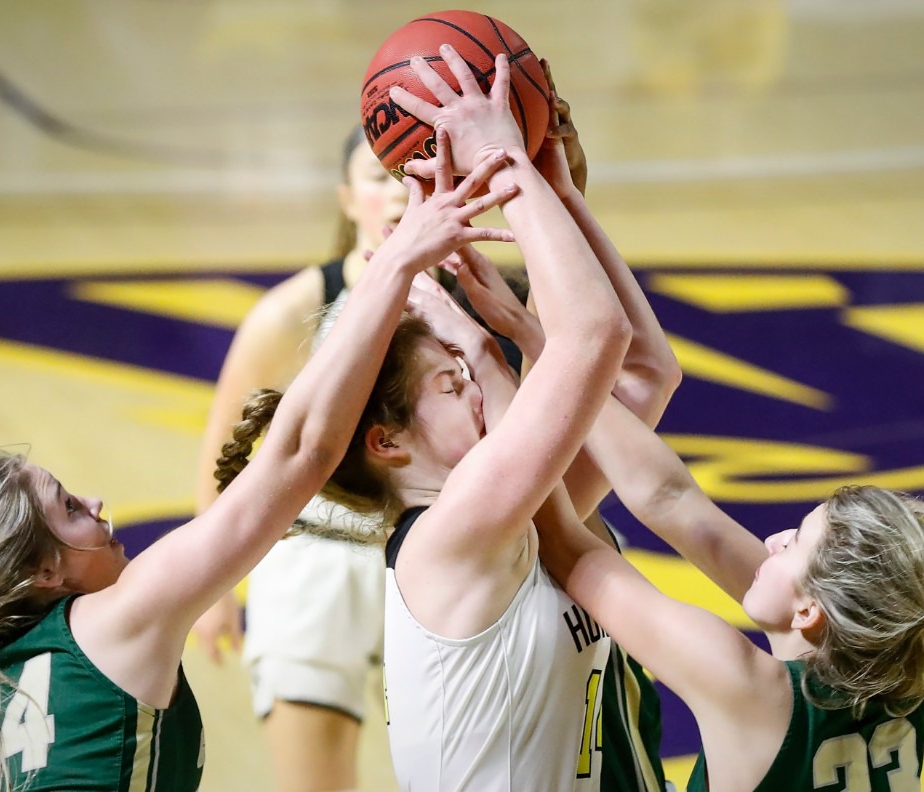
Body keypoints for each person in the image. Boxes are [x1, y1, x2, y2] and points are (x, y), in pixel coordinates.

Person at [0, 143, 518, 792]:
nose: (98, 503)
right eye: (70, 508)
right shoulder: (113, 622)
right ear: (44, 571)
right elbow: (301, 453)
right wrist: (397, 263)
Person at [216, 45, 655, 790]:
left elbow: (636, 375)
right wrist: (506, 162)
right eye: (454, 386)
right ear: (387, 442)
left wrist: (560, 190)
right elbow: (597, 344)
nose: (482, 388)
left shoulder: (528, 523)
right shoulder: (457, 540)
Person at [531, 370, 924, 789]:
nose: (771, 540)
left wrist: (520, 368)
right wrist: (558, 355)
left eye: (794, 542)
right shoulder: (893, 673)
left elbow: (567, 547)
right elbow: (672, 500)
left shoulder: (749, 686)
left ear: (812, 610)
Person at [190, 124, 413, 792]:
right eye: (380, 177)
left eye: (414, 174)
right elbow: (222, 455)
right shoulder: (290, 312)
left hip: (432, 554)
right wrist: (216, 587)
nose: (399, 193)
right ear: (349, 200)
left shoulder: (482, 307)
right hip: (314, 561)